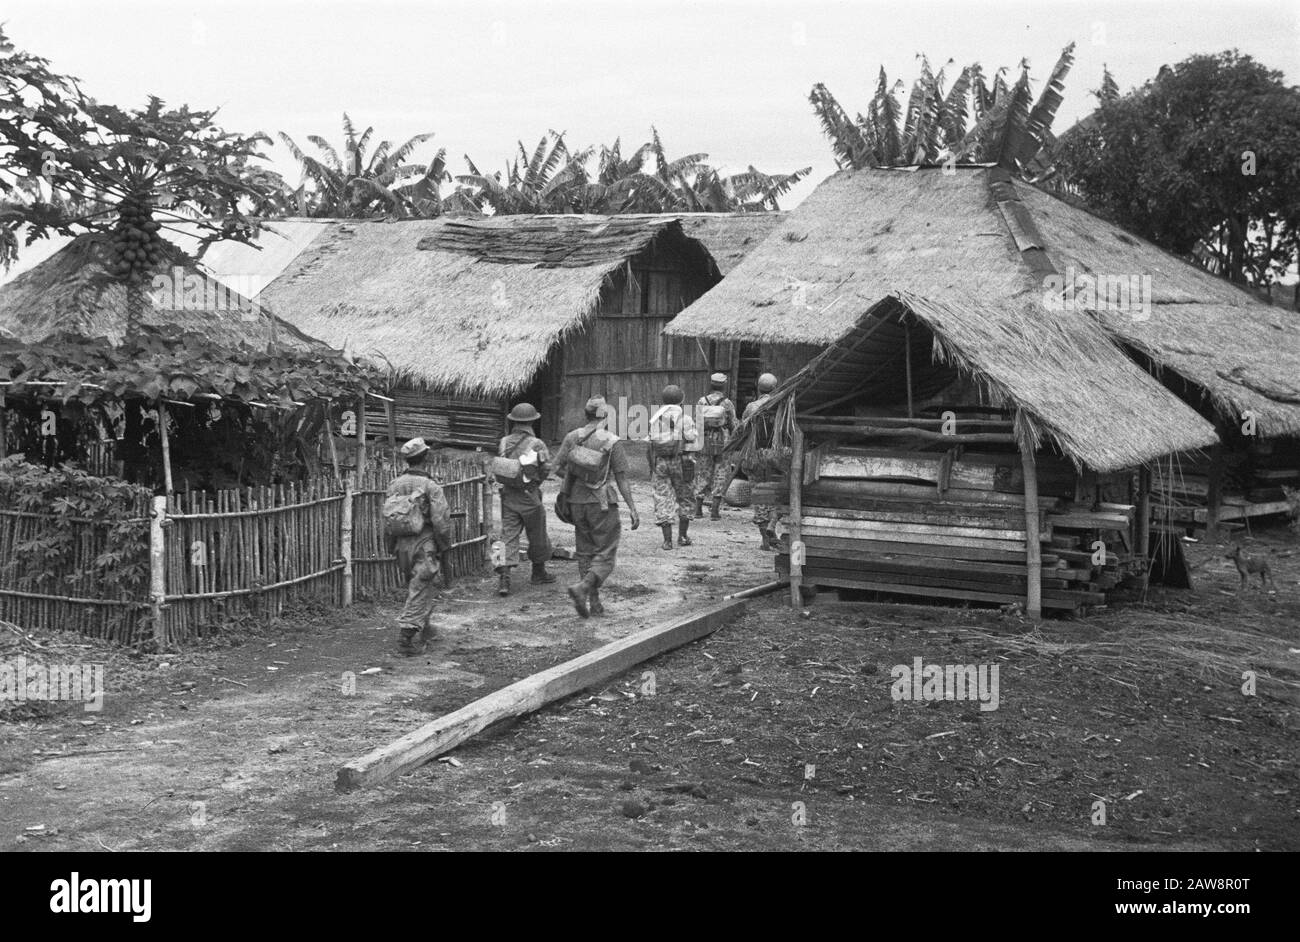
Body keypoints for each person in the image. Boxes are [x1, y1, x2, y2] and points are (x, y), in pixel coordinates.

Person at [552, 396, 640, 617]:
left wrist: (578, 480)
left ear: (586, 415)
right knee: (606, 553)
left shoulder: (572, 437)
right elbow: (622, 479)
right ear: (605, 416)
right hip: (602, 503)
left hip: (576, 503)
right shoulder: (611, 441)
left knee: (585, 552)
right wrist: (632, 507)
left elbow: (557, 467)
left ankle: (594, 601)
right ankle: (582, 588)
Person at [383, 437, 453, 656]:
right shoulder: (431, 486)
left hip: (402, 545)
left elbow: (387, 518)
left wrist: (389, 544)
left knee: (418, 587)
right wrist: (444, 545)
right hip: (424, 544)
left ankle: (425, 628)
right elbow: (440, 521)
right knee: (419, 588)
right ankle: (405, 640)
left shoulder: (394, 484)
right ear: (426, 458)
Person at [493, 403, 554, 596]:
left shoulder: (503, 442)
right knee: (537, 535)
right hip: (529, 495)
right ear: (532, 421)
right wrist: (535, 483)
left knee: (507, 536)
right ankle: (538, 573)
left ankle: (504, 580)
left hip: (508, 495)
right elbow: (545, 469)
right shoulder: (537, 444)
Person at [646, 384, 698, 550]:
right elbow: (692, 439)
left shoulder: (654, 418)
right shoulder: (685, 417)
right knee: (686, 497)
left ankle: (667, 541)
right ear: (682, 401)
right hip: (682, 462)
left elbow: (649, 445)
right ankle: (682, 536)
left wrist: (651, 466)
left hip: (661, 462)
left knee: (662, 498)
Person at [742, 372, 780, 551]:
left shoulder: (751, 407)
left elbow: (742, 429)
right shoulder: (781, 405)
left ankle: (765, 540)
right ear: (775, 388)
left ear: (758, 388)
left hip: (755, 455)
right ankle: (773, 524)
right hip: (776, 456)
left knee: (759, 495)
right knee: (776, 493)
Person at [693, 372, 738, 520]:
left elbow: (697, 422)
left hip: (705, 439)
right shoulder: (727, 403)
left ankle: (698, 510)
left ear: (711, 385)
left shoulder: (702, 401)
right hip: (722, 440)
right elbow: (734, 424)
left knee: (702, 472)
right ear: (724, 386)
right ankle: (714, 511)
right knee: (720, 473)